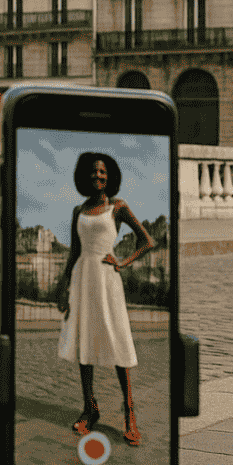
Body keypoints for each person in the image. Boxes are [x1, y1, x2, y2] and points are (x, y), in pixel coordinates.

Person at [53, 153, 155, 447]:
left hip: (107, 281)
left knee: (117, 342)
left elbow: (146, 240)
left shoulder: (118, 207)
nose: (98, 177)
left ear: (110, 176)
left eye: (103, 173)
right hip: (82, 280)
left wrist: (123, 263)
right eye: (93, 173)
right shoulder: (79, 210)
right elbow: (74, 253)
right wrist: (62, 289)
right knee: (84, 342)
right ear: (84, 177)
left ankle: (129, 414)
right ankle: (90, 407)